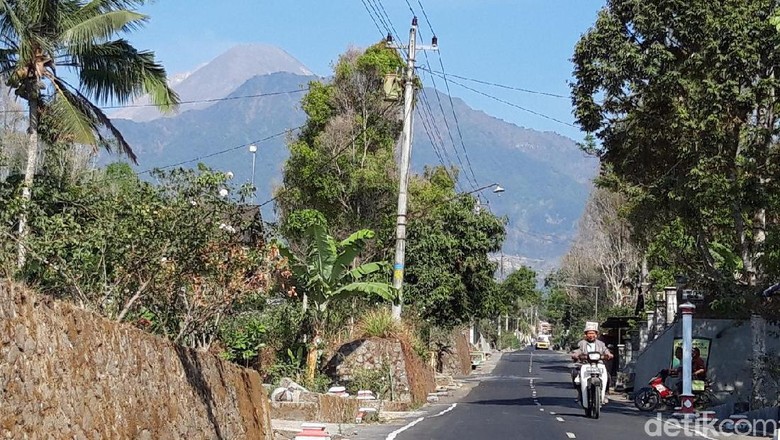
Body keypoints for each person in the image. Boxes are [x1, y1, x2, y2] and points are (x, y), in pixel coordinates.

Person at [570, 322, 613, 404]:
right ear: (586, 334)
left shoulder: (601, 344)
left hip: (598, 364)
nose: (591, 335)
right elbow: (577, 350)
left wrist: (609, 354)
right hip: (585, 364)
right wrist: (575, 355)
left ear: (596, 334)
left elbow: (605, 350)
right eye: (589, 333)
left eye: (593, 333)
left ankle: (604, 394)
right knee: (575, 374)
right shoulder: (581, 343)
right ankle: (580, 393)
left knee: (607, 376)